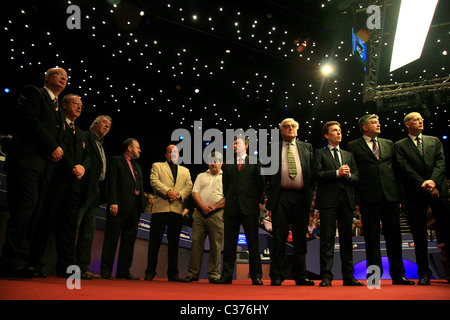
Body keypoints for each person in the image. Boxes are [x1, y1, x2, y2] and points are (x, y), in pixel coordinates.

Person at [0, 67, 67, 278]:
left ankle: (26, 262)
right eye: (60, 75)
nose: (64, 79)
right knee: (24, 211)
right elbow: (31, 122)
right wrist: (51, 147)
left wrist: (57, 149)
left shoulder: (58, 109)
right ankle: (11, 263)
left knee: (35, 215)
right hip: (26, 163)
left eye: (66, 78)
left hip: (44, 168)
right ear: (47, 78)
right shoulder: (33, 93)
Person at [28, 94, 91, 278]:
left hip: (74, 186)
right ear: (64, 106)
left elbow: (87, 156)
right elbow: (56, 148)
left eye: (81, 105)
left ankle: (67, 268)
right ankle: (35, 263)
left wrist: (83, 168)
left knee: (69, 228)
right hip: (56, 181)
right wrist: (72, 167)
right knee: (45, 223)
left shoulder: (80, 133)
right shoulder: (57, 125)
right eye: (75, 104)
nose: (79, 107)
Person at [347, 114, 413, 285]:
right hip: (368, 197)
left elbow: (397, 169)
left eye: (378, 122)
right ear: (364, 127)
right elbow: (354, 172)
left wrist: (398, 193)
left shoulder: (388, 144)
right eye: (374, 122)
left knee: (394, 237)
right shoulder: (353, 146)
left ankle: (399, 276)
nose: (378, 124)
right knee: (371, 238)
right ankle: (374, 277)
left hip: (390, 196)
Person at [395, 112, 449, 285]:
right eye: (416, 120)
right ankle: (424, 273)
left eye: (421, 119)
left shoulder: (434, 141)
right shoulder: (400, 145)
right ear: (407, 124)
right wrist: (423, 183)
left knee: (447, 230)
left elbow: (441, 162)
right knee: (418, 235)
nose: (420, 121)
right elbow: (404, 167)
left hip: (438, 189)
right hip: (415, 192)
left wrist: (433, 181)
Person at [312, 121, 363, 287]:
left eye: (340, 130)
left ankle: (348, 276)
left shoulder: (348, 155)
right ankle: (326, 276)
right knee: (327, 238)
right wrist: (336, 173)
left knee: (347, 239)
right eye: (335, 131)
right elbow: (316, 174)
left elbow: (357, 177)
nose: (339, 133)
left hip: (346, 200)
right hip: (328, 200)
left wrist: (348, 176)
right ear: (327, 135)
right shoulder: (320, 153)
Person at [266, 118, 314, 286]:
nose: (290, 129)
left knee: (301, 238)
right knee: (279, 238)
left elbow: (312, 172)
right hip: (281, 197)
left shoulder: (307, 148)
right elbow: (265, 175)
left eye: (293, 126)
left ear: (297, 129)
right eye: (286, 127)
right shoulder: (271, 149)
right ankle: (276, 275)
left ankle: (300, 275)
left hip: (301, 197)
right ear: (281, 131)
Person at [216, 136, 265, 285]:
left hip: (249, 207)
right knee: (229, 243)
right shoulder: (228, 164)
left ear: (247, 146)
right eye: (234, 143)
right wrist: (230, 199)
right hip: (232, 207)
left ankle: (256, 275)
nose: (235, 145)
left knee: (253, 243)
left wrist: (254, 201)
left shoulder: (255, 162)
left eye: (238, 143)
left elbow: (260, 185)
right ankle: (226, 276)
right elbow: (226, 186)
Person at [145, 144, 193, 281]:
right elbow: (154, 181)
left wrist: (178, 195)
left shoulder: (185, 171)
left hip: (176, 211)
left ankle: (173, 273)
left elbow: (189, 186)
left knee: (174, 244)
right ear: (166, 155)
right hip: (160, 209)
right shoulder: (157, 166)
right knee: (154, 242)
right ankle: (150, 272)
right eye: (170, 152)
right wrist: (168, 192)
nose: (173, 155)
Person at [100, 138, 145, 280]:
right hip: (118, 206)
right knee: (111, 239)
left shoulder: (137, 166)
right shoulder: (116, 161)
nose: (139, 150)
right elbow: (112, 182)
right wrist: (113, 202)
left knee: (129, 241)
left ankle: (123, 271)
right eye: (137, 147)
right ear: (129, 148)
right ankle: (106, 271)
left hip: (135, 208)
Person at [75, 115, 112, 278]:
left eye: (109, 125)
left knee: (88, 231)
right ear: (95, 124)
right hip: (82, 189)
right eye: (104, 123)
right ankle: (69, 266)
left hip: (95, 192)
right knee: (74, 226)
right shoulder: (84, 136)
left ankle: (82, 267)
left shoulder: (102, 145)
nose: (107, 126)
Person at [183, 152, 225, 283]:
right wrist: (202, 205)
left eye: (217, 161)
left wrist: (215, 207)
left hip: (217, 214)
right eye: (211, 160)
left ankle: (214, 275)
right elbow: (195, 192)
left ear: (221, 163)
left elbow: (229, 196)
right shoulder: (201, 176)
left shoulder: (226, 177)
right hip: (200, 214)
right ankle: (193, 274)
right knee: (196, 243)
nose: (214, 163)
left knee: (216, 245)